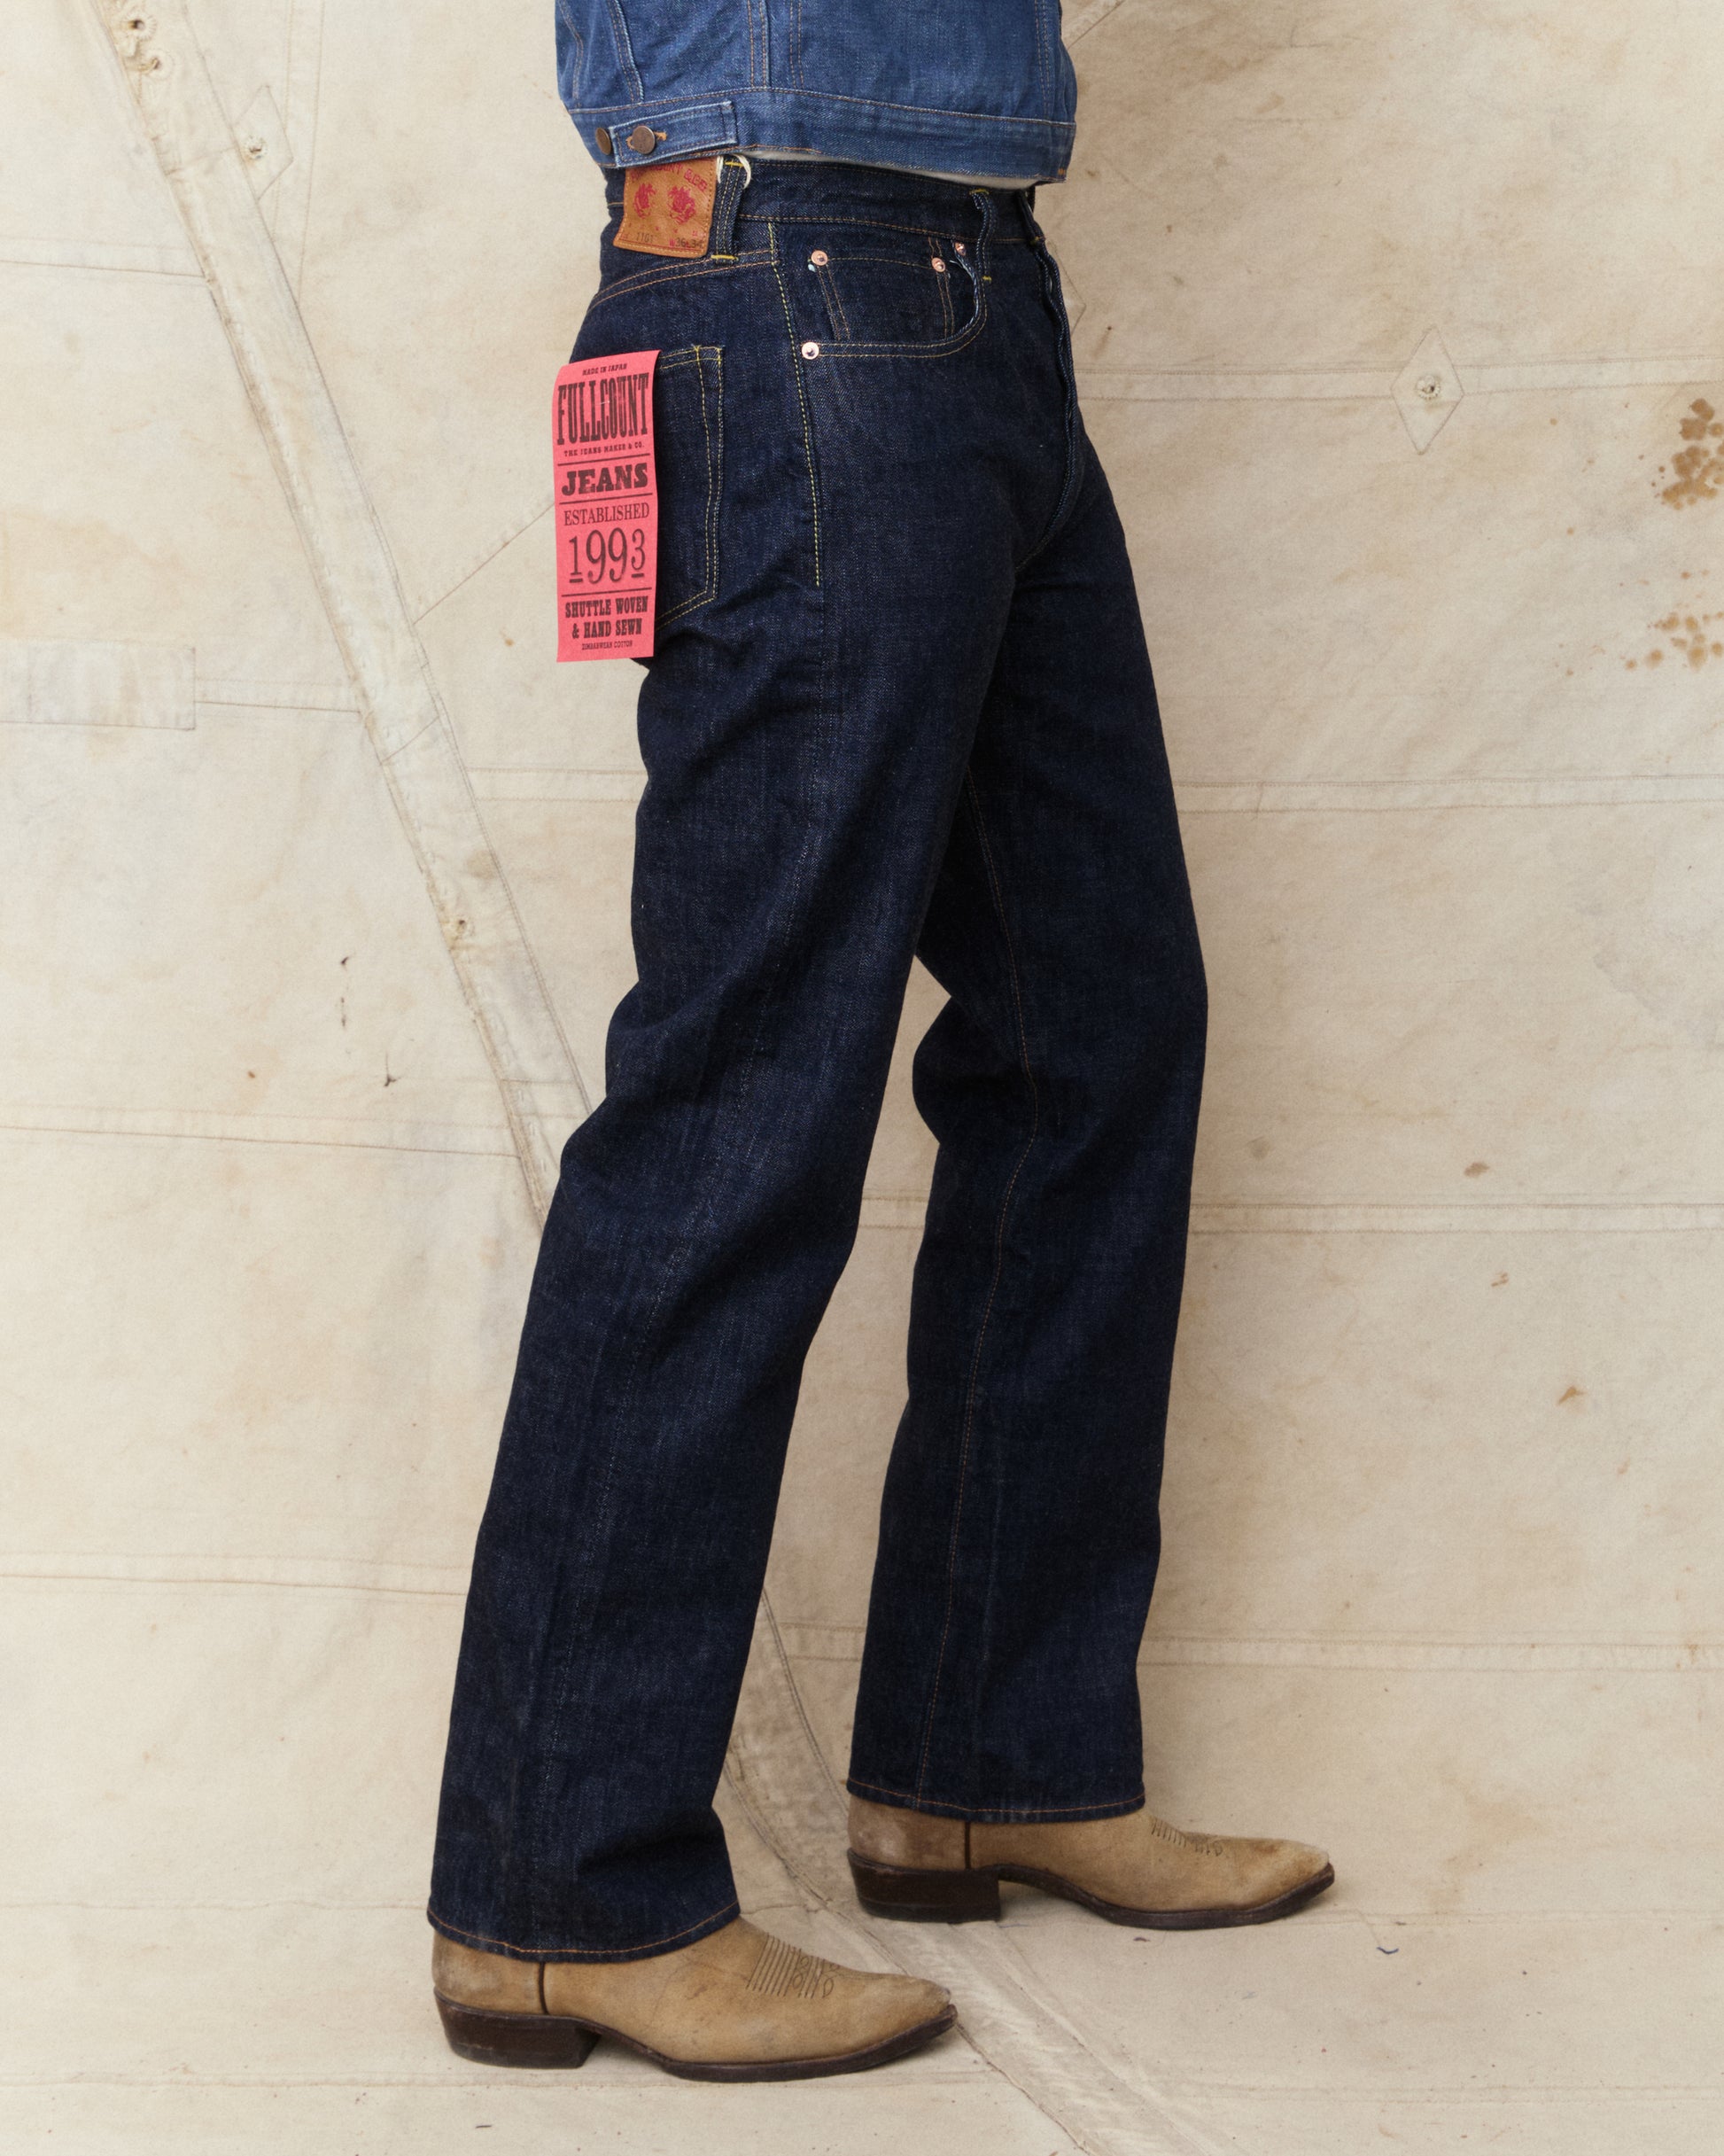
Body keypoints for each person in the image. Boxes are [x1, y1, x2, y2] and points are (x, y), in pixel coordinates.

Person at [427, 0, 1332, 2084]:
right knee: (743, 1087)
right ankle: (561, 1890)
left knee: (1095, 1028)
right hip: (793, 279)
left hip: (968, 283)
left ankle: (990, 1760)